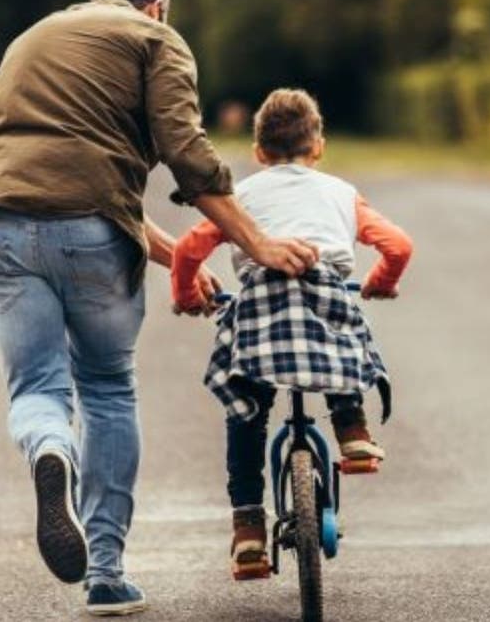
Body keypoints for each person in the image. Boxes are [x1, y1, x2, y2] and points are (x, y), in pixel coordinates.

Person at [0, 0, 318, 616]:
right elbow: (186, 152)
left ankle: (51, 450)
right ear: (157, 8)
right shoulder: (155, 39)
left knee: (37, 387)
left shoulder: (34, 38)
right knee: (107, 387)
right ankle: (107, 575)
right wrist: (256, 242)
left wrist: (183, 260)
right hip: (89, 233)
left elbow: (80, 177)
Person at [170, 88, 413, 579]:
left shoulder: (239, 199)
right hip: (324, 302)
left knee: (248, 412)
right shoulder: (341, 193)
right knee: (344, 329)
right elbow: (399, 246)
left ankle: (248, 533)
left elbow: (187, 250)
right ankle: (352, 431)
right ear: (317, 146)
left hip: (262, 312)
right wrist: (380, 283)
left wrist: (187, 295)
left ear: (258, 153)